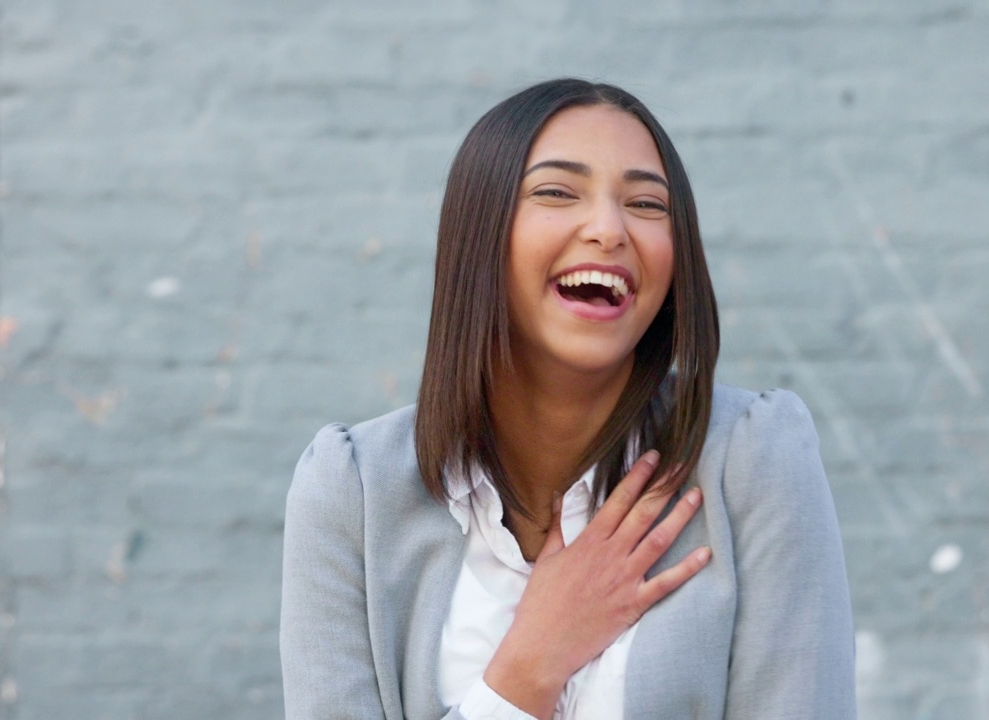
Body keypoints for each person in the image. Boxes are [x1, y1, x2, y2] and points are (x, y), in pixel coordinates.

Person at [280, 78, 856, 719]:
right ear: (480, 233)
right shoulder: (353, 491)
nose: (609, 229)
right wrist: (529, 667)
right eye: (556, 192)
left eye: (646, 204)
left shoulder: (752, 460)